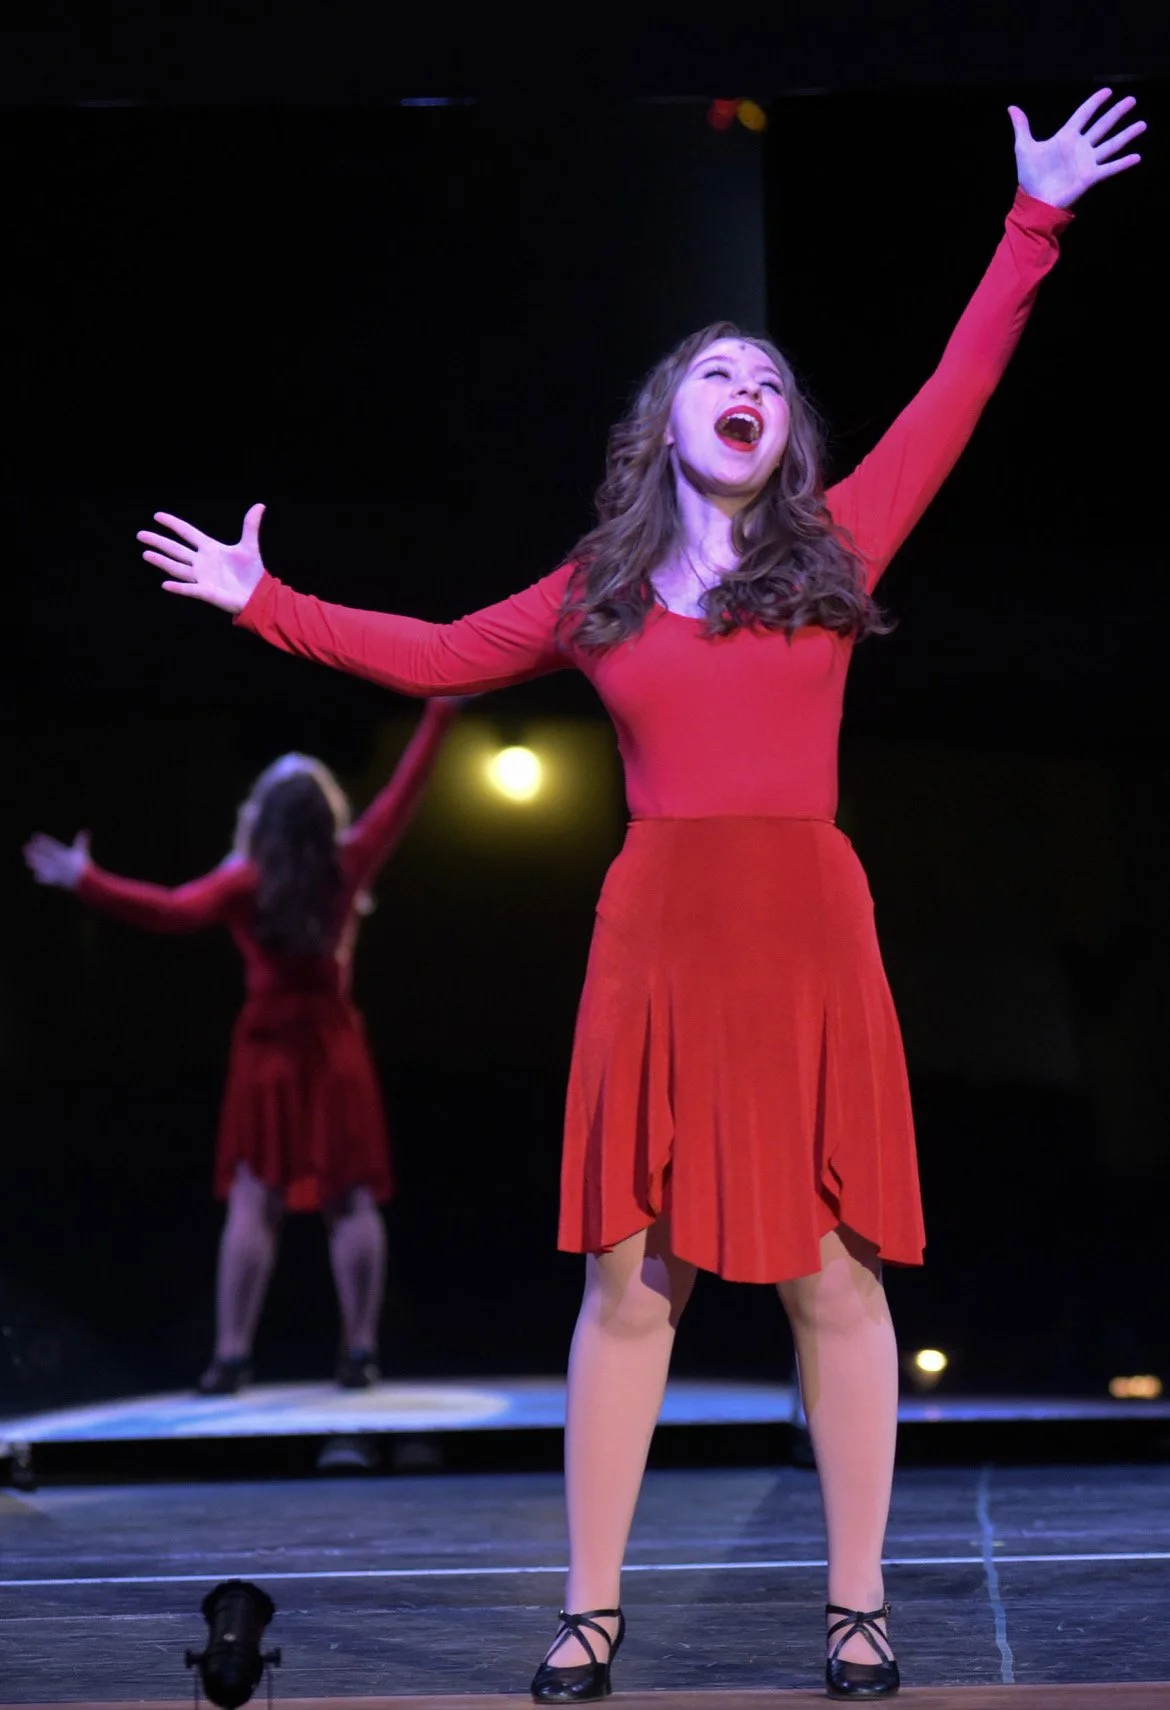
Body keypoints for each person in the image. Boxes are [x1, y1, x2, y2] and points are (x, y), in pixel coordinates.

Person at [135, 89, 1141, 1698]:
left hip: (806, 931)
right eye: (713, 375)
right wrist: (266, 602)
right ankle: (588, 1607)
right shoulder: (595, 597)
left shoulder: (836, 550)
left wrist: (1032, 224)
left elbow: (958, 392)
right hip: (656, 939)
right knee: (630, 1269)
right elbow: (436, 652)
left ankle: (857, 1603)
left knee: (834, 1267)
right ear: (662, 423)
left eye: (766, 380)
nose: (744, 386)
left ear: (784, 435)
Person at [24, 699, 460, 1395]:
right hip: (332, 1045)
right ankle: (361, 1350)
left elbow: (168, 911)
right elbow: (402, 793)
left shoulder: (243, 881)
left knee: (256, 1200)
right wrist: (441, 713)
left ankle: (230, 1356)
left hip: (267, 1053)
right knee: (349, 1199)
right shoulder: (346, 865)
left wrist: (87, 880)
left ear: (260, 816)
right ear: (325, 818)